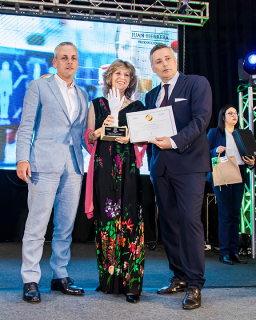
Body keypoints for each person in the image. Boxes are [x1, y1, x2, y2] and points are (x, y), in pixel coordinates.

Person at [16, 42, 89, 303]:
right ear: (55, 61)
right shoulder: (38, 86)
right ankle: (30, 279)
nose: (70, 62)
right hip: (43, 163)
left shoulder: (83, 94)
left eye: (74, 58)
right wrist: (22, 158)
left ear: (78, 63)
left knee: (65, 226)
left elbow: (81, 135)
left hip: (74, 166)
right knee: (37, 224)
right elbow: (26, 125)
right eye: (64, 58)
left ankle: (59, 275)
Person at [145, 43, 212, 310]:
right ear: (152, 68)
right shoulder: (151, 94)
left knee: (189, 221)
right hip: (160, 169)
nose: (164, 64)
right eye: (158, 62)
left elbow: (201, 120)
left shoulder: (196, 83)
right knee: (170, 225)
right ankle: (180, 277)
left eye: (167, 59)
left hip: (190, 166)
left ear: (175, 60)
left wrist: (173, 141)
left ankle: (195, 284)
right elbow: (146, 128)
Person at [84, 60, 147, 303]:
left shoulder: (139, 106)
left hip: (128, 169)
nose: (122, 77)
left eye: (127, 74)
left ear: (131, 80)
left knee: (129, 222)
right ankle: (109, 281)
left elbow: (144, 139)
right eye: (118, 73)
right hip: (103, 169)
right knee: (106, 222)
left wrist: (131, 136)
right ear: (109, 77)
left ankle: (131, 285)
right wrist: (100, 131)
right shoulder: (97, 105)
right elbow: (88, 137)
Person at [207, 105, 255, 265]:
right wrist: (215, 151)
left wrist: (252, 162)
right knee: (225, 215)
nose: (234, 116)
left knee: (235, 215)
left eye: (236, 113)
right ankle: (224, 251)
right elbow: (204, 153)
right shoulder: (215, 132)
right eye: (230, 113)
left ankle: (234, 251)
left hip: (239, 172)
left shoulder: (242, 134)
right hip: (222, 173)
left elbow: (252, 154)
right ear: (223, 116)